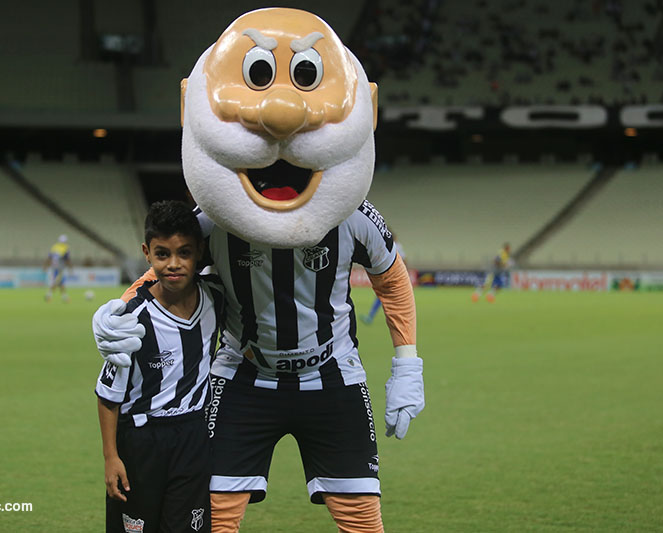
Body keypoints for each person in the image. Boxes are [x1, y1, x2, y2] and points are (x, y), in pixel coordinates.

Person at [92, 9, 424, 533]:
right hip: (244, 373)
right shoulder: (215, 221)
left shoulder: (353, 216)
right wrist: (119, 307)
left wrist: (407, 361)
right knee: (216, 515)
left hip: (332, 373)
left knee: (362, 518)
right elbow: (169, 267)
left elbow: (392, 276)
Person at [95, 201, 223, 533]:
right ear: (147, 254)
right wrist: (111, 458)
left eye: (184, 253)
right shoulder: (131, 319)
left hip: (194, 436)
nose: (174, 264)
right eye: (163, 254)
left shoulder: (216, 301)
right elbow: (108, 395)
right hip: (141, 441)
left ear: (199, 253)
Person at [362, 234, 406, 324]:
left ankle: (372, 316)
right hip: (393, 275)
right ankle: (372, 316)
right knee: (386, 297)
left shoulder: (394, 246)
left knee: (384, 296)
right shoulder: (395, 246)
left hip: (391, 275)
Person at [43, 234, 72, 302]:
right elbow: (67, 259)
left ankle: (64, 297)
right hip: (60, 268)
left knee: (60, 282)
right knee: (56, 282)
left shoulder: (55, 247)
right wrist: (70, 267)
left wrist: (45, 265)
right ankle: (48, 295)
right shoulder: (65, 248)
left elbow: (49, 257)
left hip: (54, 267)